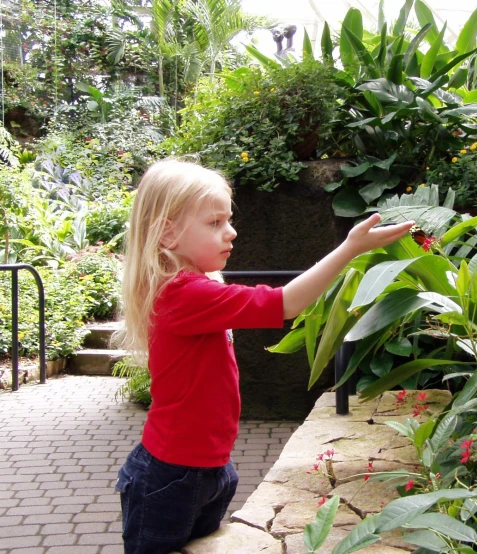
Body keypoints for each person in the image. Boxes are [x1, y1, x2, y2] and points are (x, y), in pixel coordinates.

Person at [112, 159, 413, 554]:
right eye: (214, 223)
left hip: (207, 467)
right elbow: (286, 303)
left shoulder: (193, 288)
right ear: (167, 231)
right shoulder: (183, 294)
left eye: (228, 219)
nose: (231, 232)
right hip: (173, 475)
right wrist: (350, 248)